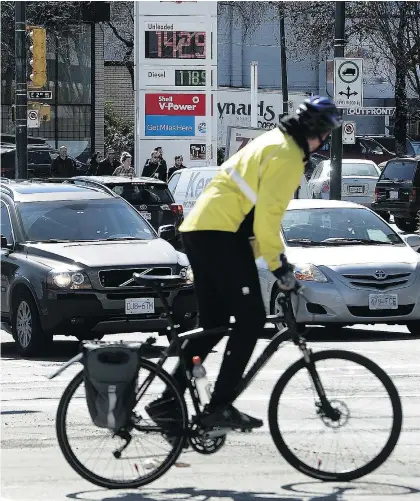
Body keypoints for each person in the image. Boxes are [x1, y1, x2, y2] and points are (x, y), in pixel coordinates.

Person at [146, 96, 342, 432]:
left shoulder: (271, 141)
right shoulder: (288, 157)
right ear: (315, 132)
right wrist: (280, 269)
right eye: (324, 135)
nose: (323, 143)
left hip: (201, 230)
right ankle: (219, 406)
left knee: (214, 323)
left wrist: (276, 261)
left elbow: (259, 218)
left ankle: (168, 401)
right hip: (221, 234)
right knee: (250, 320)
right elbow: (267, 222)